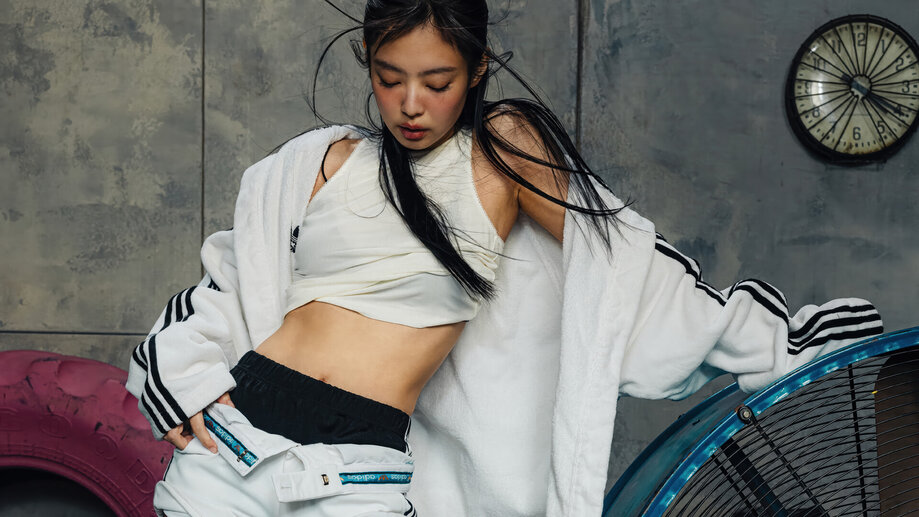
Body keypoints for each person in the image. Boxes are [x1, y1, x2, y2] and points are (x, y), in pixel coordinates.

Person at [125, 1, 885, 515]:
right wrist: (181, 378)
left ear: (478, 67)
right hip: (234, 445)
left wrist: (773, 340)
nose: (411, 104)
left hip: (355, 471)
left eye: (437, 81)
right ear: (366, 61)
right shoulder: (321, 161)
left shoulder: (503, 148)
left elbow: (618, 263)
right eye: (389, 78)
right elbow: (227, 285)